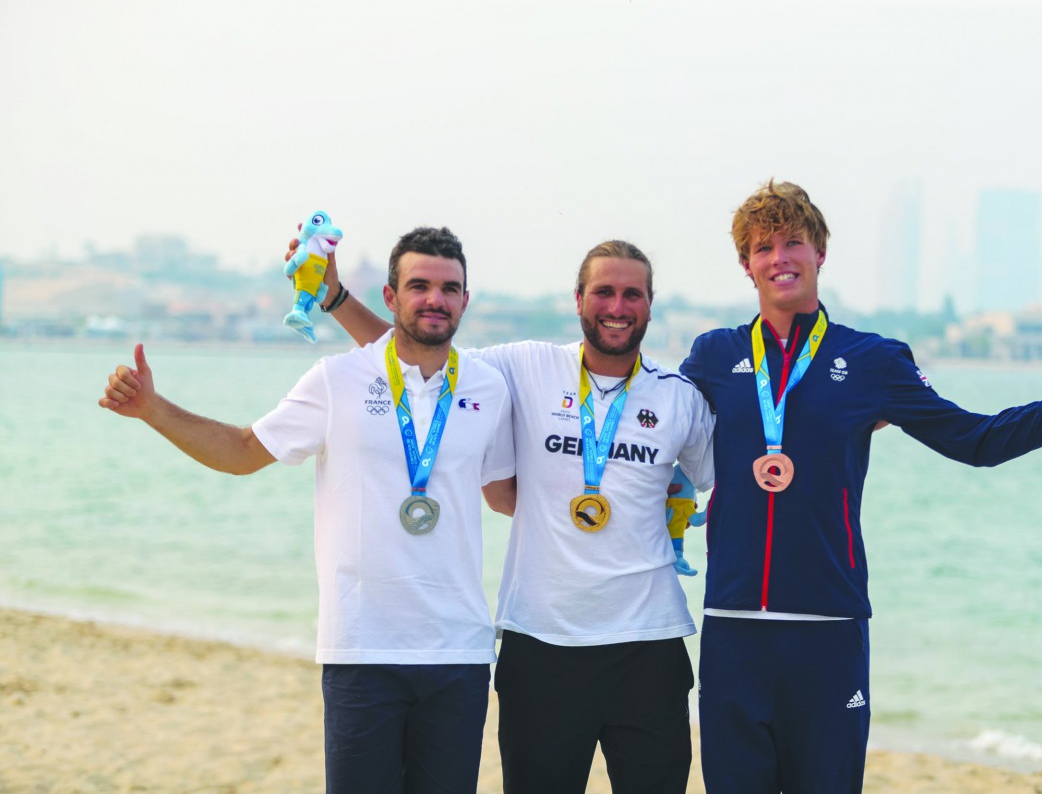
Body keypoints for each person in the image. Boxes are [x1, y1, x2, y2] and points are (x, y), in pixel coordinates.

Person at [678, 180, 1042, 794]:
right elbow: (654, 446)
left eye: (794, 242)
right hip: (732, 628)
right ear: (746, 265)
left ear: (821, 253)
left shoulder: (872, 360)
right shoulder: (712, 357)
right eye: (763, 247)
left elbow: (974, 440)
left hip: (829, 630)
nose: (779, 257)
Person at [100, 226, 516, 794]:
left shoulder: (489, 388)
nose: (435, 299)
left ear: (466, 301)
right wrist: (153, 409)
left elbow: (508, 494)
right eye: (419, 286)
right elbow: (245, 451)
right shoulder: (336, 379)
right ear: (391, 297)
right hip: (361, 648)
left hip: (459, 653)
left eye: (449, 288)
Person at [311, 238, 715, 794]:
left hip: (649, 644)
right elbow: (416, 349)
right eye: (603, 291)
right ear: (578, 300)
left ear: (649, 304)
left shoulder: (680, 398)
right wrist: (334, 298)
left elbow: (726, 483)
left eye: (632, 294)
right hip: (539, 644)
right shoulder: (523, 368)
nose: (617, 306)